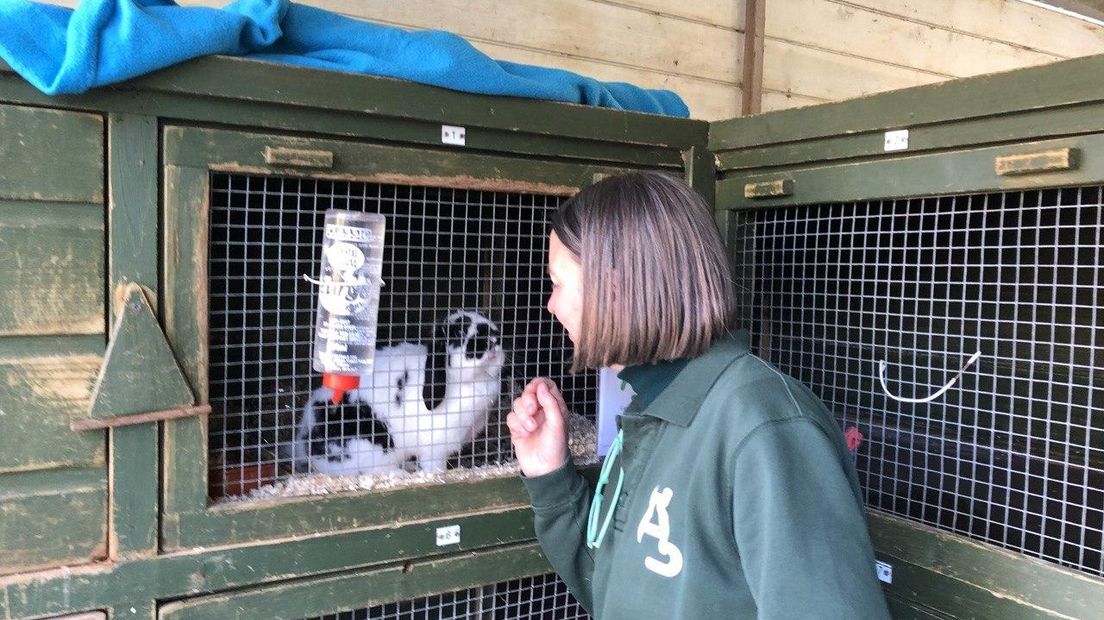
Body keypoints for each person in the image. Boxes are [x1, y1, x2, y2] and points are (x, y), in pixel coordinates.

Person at [507, 171, 891, 619]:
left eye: (557, 282)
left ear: (613, 284)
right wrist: (548, 474)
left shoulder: (763, 425)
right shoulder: (652, 409)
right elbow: (617, 593)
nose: (551, 305)